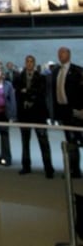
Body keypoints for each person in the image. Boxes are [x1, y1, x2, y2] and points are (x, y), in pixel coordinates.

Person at [14, 55, 54, 178]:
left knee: (43, 141)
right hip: (24, 114)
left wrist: (28, 92)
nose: (29, 63)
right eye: (27, 61)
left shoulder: (41, 77)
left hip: (39, 114)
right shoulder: (19, 77)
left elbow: (41, 92)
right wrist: (28, 92)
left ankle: (48, 168)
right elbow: (17, 92)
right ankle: (26, 166)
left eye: (31, 62)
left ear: (34, 63)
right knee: (25, 141)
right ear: (25, 63)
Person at [50, 47, 83, 178]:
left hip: (75, 110)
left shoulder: (77, 71)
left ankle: (75, 168)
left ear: (69, 55)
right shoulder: (56, 70)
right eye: (58, 53)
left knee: (77, 138)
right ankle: (73, 168)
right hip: (62, 110)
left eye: (62, 53)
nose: (60, 55)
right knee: (69, 141)